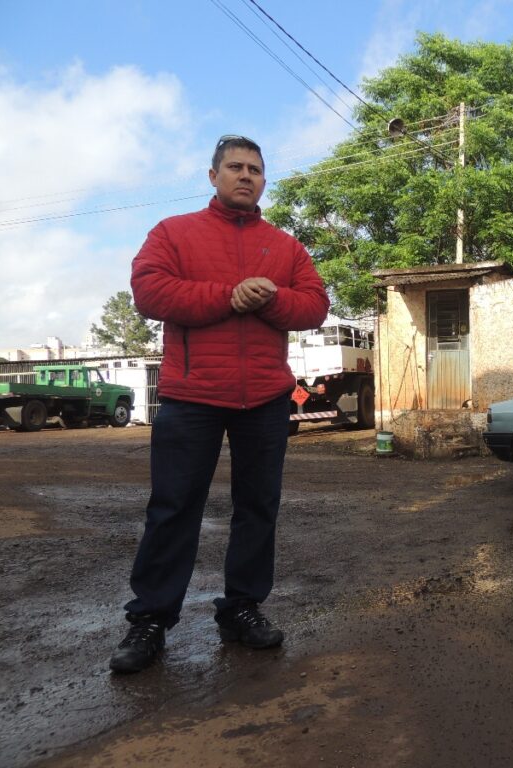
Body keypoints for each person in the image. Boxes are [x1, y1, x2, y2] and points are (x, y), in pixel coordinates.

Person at [109, 135, 330, 673]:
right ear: (213, 176)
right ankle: (151, 619)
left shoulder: (285, 246)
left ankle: (242, 609)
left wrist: (271, 297)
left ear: (263, 180)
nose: (246, 175)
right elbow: (149, 291)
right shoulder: (173, 233)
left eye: (255, 169)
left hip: (266, 398)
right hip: (192, 396)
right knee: (173, 508)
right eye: (235, 167)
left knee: (258, 507)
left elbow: (315, 306)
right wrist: (228, 295)